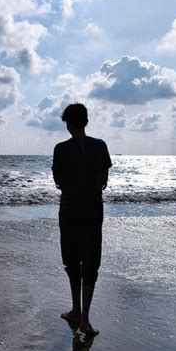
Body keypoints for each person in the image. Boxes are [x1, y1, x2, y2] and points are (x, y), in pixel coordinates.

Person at [52, 103, 112, 337]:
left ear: (68, 123)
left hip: (69, 209)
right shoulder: (100, 146)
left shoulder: (61, 149)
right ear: (86, 122)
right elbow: (103, 182)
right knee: (91, 263)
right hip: (93, 208)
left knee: (71, 262)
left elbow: (58, 181)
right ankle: (85, 319)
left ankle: (76, 311)